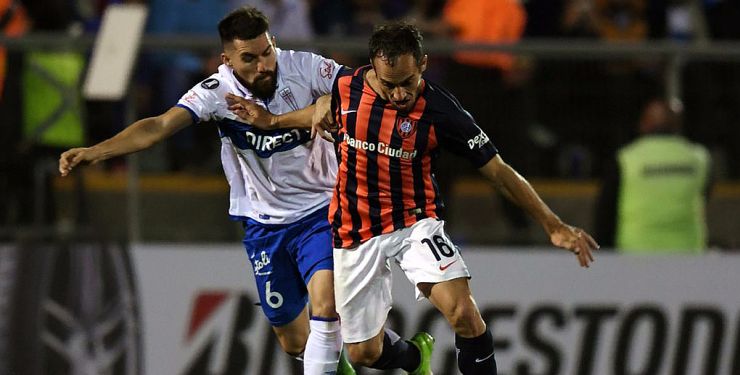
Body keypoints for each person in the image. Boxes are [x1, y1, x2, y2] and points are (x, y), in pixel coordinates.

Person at [229, 22, 599, 375]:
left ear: (423, 64)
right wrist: (273, 121)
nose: (400, 94)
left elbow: (499, 171)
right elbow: (320, 109)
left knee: (463, 315)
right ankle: (415, 355)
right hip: (353, 232)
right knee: (363, 351)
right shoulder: (345, 88)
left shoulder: (442, 112)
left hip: (413, 223)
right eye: (390, 85)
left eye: (408, 82)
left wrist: (554, 225)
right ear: (372, 67)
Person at [58, 7, 355, 374]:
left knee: (324, 305)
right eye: (249, 58)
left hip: (321, 210)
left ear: (273, 43)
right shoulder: (217, 93)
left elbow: (358, 87)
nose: (263, 65)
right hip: (265, 225)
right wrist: (95, 151)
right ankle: (393, 353)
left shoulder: (305, 67)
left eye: (267, 52)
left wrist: (328, 99)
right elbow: (157, 126)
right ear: (227, 59)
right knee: (295, 340)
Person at [595, 97, 711, 253]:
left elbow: (606, 213)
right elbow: (705, 195)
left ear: (644, 124)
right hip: (688, 252)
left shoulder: (626, 159)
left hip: (635, 253)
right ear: (678, 125)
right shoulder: (699, 158)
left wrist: (603, 253)